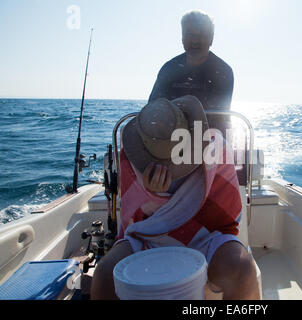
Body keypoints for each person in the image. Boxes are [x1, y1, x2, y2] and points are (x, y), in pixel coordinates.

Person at [90, 96, 260, 300]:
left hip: (208, 235)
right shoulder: (130, 157)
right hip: (146, 235)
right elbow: (133, 218)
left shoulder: (216, 149)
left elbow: (228, 213)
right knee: (103, 274)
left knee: (242, 269)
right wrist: (151, 193)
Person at [148, 10, 233, 138]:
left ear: (211, 39)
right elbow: (152, 109)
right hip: (169, 139)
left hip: (210, 140)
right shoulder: (169, 68)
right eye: (190, 34)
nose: (195, 40)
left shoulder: (223, 71)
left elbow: (220, 117)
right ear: (182, 38)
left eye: (201, 35)